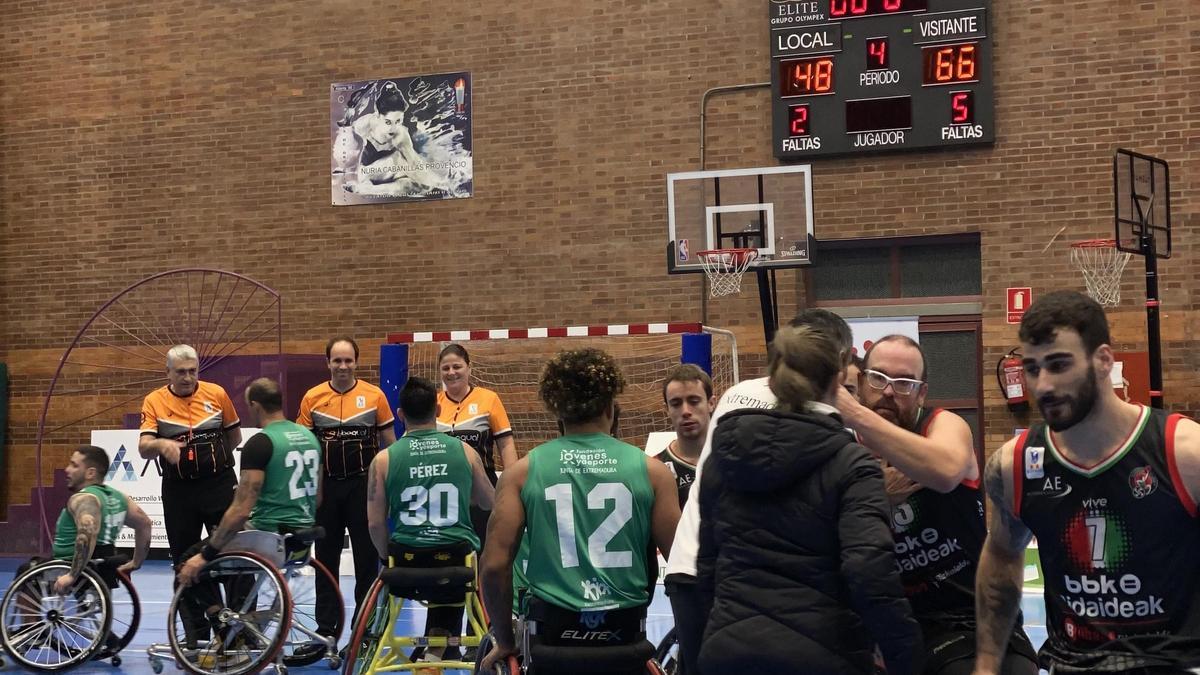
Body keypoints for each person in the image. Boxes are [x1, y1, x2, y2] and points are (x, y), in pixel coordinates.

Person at [974, 291, 1200, 674]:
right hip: (1070, 664)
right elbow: (1001, 554)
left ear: (1103, 361)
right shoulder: (1015, 466)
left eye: (1059, 364)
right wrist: (985, 665)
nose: (1043, 384)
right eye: (1032, 368)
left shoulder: (1184, 453)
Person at [695, 325, 922, 674]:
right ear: (838, 382)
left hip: (726, 652)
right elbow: (870, 571)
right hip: (823, 655)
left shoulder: (723, 457)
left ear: (773, 381)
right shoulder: (853, 464)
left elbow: (707, 568)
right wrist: (907, 659)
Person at [664, 308, 855, 675]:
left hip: (690, 570)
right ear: (836, 363)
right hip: (742, 584)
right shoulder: (831, 422)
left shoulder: (737, 394)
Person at [837, 335, 1037, 674]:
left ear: (922, 393)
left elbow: (945, 471)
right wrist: (877, 498)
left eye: (903, 383)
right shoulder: (841, 448)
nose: (888, 391)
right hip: (891, 620)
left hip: (970, 616)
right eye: (879, 378)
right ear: (861, 380)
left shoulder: (943, 425)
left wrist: (854, 413)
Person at [478, 348, 681, 672]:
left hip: (553, 640)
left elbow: (494, 566)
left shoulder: (522, 472)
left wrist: (504, 639)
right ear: (610, 407)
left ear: (556, 411)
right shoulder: (654, 472)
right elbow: (683, 570)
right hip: (626, 640)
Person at [365, 376, 494, 664]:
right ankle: (441, 647)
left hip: (406, 564)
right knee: (460, 556)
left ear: (400, 415)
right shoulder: (465, 451)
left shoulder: (383, 460)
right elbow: (489, 502)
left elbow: (375, 524)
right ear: (437, 411)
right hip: (455, 563)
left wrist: (387, 558)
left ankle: (433, 648)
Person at [297, 336, 396, 640]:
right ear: (328, 362)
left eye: (348, 360)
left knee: (367, 560)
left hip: (362, 488)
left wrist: (388, 489)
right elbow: (304, 448)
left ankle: (364, 630)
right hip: (326, 489)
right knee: (326, 562)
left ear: (356, 361)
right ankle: (326, 630)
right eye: (337, 361)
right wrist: (311, 488)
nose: (343, 366)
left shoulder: (375, 395)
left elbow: (390, 446)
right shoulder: (311, 397)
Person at [178, 377, 322, 583]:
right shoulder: (310, 438)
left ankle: (213, 612)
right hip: (303, 536)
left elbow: (241, 510)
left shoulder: (260, 443)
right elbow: (318, 498)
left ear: (255, 405)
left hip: (269, 538)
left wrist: (207, 553)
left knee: (187, 561)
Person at [138, 344, 241, 569]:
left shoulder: (217, 393)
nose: (187, 378)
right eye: (180, 372)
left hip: (219, 484)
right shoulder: (154, 400)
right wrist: (161, 443)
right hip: (179, 490)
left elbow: (235, 437)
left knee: (232, 548)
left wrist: (212, 460)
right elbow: (144, 448)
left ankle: (240, 604)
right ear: (168, 373)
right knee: (183, 555)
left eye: (192, 371)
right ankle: (206, 605)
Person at [17, 445, 153, 591]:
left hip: (70, 567)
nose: (67, 469)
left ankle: (31, 615)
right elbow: (145, 524)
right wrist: (135, 563)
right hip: (104, 567)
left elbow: (88, 532)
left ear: (90, 473)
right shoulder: (120, 499)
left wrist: (72, 575)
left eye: (74, 465)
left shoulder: (84, 498)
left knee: (25, 572)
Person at [436, 344, 517, 548]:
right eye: (446, 368)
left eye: (457, 366)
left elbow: (506, 444)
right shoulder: (434, 402)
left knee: (484, 548)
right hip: (443, 489)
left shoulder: (489, 399)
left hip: (482, 487)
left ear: (469, 368)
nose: (451, 372)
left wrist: (513, 485)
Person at [655, 364, 715, 509]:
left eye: (694, 401)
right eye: (676, 404)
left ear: (711, 403)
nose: (686, 411)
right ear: (667, 410)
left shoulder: (733, 457)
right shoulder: (656, 468)